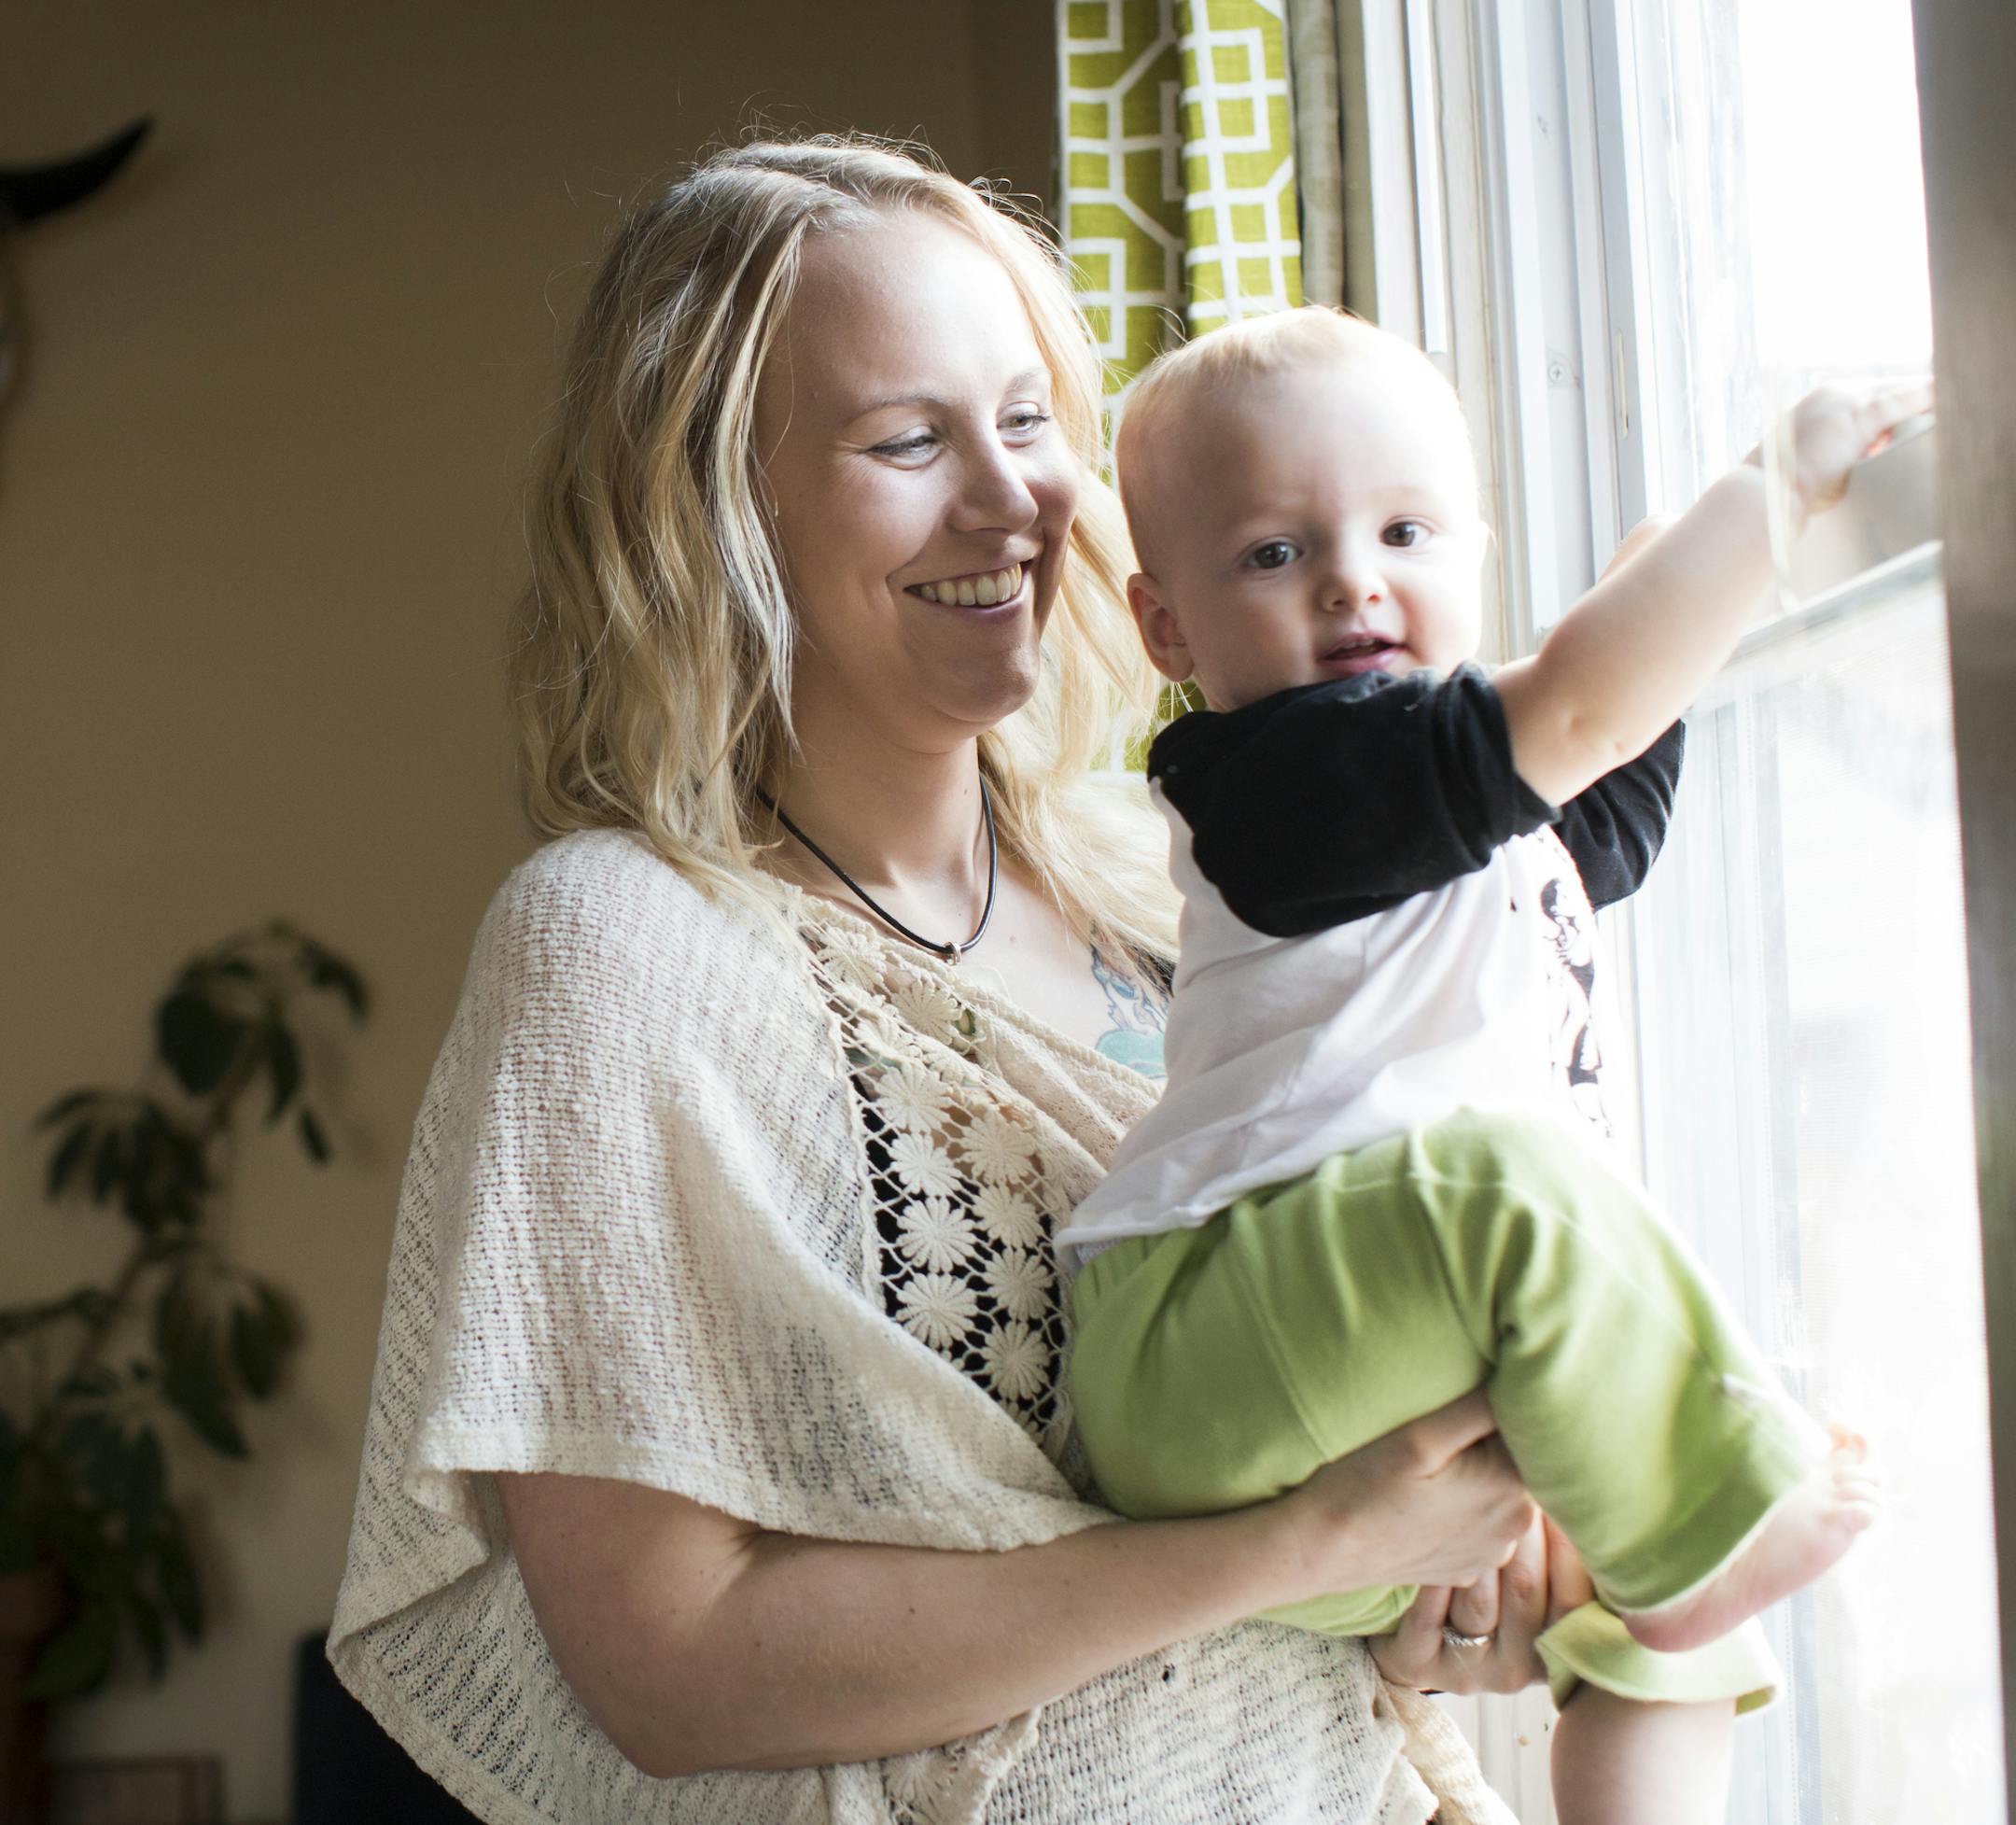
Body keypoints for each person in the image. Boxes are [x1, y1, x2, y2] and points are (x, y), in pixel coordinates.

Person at [327, 138, 1589, 1825]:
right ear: (718, 511)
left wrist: (1454, 1573)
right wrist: (1313, 1540)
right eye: (909, 441)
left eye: (1026, 421)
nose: (1011, 503)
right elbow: (668, 1667)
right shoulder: (621, 947)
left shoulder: (1182, 879)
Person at [1055, 306, 1920, 1825]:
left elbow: (1611, 782)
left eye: (1405, 529)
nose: (1352, 579)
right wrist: (1771, 488)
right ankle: (1711, 1530)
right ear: (1168, 629)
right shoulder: (1282, 780)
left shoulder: (1470, 809)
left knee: (1668, 1609)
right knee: (1532, 1201)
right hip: (1204, 1340)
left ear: (1474, 553)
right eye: (1274, 553)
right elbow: (1579, 704)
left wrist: (1680, 582)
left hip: (1361, 1400)